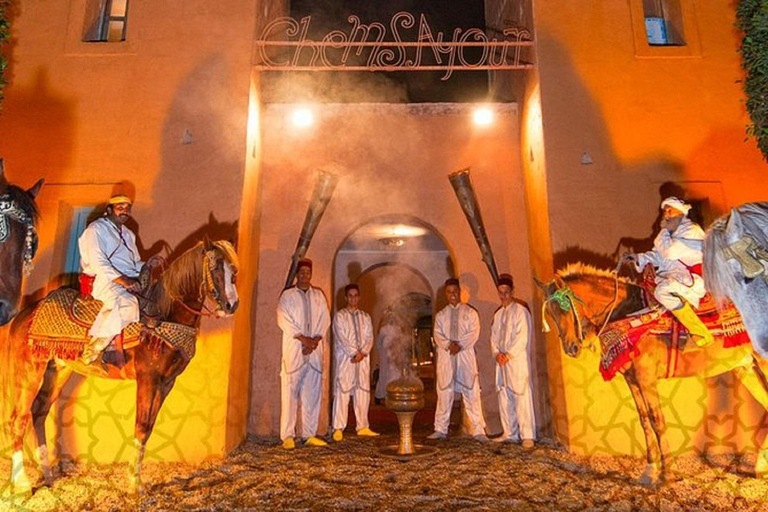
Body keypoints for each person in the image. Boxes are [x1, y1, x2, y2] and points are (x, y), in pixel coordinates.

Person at [622, 196, 713, 347]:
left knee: (662, 291)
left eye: (670, 211)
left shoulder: (691, 229)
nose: (666, 215)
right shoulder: (670, 235)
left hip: (692, 278)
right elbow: (658, 255)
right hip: (675, 276)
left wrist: (664, 230)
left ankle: (701, 333)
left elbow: (670, 252)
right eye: (664, 212)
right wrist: (638, 257)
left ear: (682, 213)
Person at [78, 195, 150, 364]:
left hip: (129, 279)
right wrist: (123, 280)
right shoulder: (96, 229)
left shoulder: (129, 234)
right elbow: (98, 262)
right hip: (105, 281)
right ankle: (96, 346)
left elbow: (134, 262)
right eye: (120, 207)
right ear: (109, 209)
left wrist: (149, 265)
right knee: (128, 303)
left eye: (127, 207)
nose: (125, 210)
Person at [277, 258, 331, 449]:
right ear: (297, 275)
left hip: (314, 351)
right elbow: (283, 319)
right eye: (302, 272)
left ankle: (309, 433)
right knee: (290, 393)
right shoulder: (287, 296)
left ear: (311, 275)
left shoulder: (318, 296)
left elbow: (325, 319)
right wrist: (303, 339)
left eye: (308, 272)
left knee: (312, 394)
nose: (305, 275)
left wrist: (315, 340)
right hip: (295, 350)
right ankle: (288, 435)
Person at [427, 278, 488, 443]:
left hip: (464, 358)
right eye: (449, 292)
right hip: (447, 359)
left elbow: (474, 333)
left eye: (455, 291)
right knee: (444, 394)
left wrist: (459, 345)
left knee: (471, 393)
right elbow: (437, 334)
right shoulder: (441, 315)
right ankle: (440, 428)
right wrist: (448, 345)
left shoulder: (470, 313)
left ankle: (478, 430)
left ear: (460, 293)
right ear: (446, 294)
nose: (452, 295)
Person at [490, 273, 536, 448]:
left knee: (521, 395)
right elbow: (493, 338)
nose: (503, 296)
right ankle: (510, 432)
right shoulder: (498, 314)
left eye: (506, 292)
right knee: (504, 395)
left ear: (512, 291)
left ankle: (527, 435)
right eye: (500, 292)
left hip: (516, 362)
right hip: (501, 362)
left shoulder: (521, 311)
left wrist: (508, 355)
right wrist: (497, 354)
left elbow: (522, 337)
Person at [331, 284, 379, 441]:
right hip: (347, 360)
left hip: (362, 361)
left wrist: (363, 352)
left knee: (363, 393)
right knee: (342, 393)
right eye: (350, 296)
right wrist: (354, 353)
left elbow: (369, 337)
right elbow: (341, 337)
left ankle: (363, 426)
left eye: (356, 295)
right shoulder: (340, 316)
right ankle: (338, 427)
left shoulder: (365, 317)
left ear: (359, 297)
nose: (353, 298)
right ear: (346, 297)